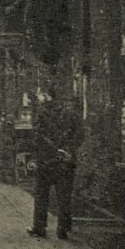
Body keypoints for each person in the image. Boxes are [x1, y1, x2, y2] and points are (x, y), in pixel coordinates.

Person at [29, 85, 84, 240]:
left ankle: (39, 227)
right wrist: (69, 149)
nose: (38, 98)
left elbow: (37, 137)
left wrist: (35, 157)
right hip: (65, 160)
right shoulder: (70, 113)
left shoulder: (42, 113)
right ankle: (63, 228)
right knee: (64, 196)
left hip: (45, 160)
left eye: (40, 94)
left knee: (41, 194)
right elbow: (80, 134)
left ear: (47, 96)